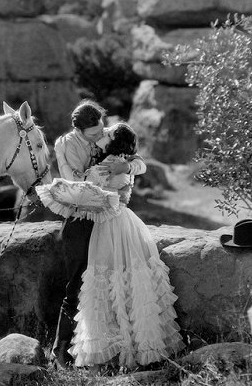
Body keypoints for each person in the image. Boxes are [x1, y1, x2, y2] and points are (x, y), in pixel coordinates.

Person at [68, 122, 185, 369]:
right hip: (121, 221)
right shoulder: (119, 160)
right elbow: (135, 166)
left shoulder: (111, 163)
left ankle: (119, 349)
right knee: (124, 279)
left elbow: (93, 189)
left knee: (112, 276)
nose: (103, 134)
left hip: (111, 224)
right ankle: (129, 346)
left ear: (113, 141)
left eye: (108, 133)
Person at [50, 101, 145, 368]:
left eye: (101, 132)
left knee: (111, 283)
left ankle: (109, 349)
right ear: (78, 130)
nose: (98, 138)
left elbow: (138, 160)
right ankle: (61, 352)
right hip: (82, 219)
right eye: (93, 135)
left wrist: (125, 168)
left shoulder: (107, 138)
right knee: (78, 285)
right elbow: (75, 184)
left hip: (109, 224)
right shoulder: (65, 145)